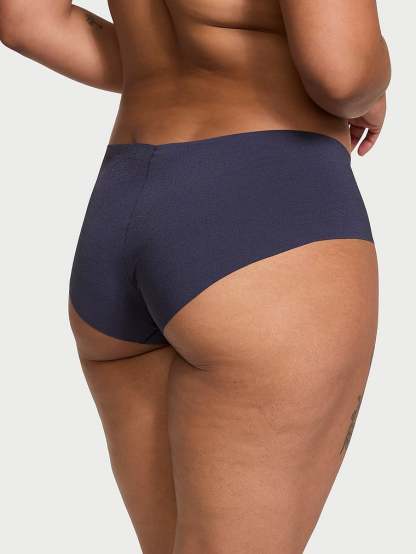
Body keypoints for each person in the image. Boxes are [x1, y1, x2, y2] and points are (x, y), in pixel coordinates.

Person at [0, 1, 391, 552]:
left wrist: (164, 61)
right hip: (265, 219)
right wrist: (370, 86)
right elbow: (341, 72)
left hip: (123, 207)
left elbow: (27, 20)